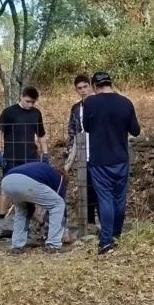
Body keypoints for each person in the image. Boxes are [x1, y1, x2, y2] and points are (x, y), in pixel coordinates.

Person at [82, 71, 140, 255]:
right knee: (119, 198)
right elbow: (136, 131)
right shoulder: (126, 102)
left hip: (100, 160)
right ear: (110, 83)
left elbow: (87, 127)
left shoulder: (90, 102)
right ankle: (116, 236)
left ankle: (106, 242)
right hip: (121, 158)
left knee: (105, 199)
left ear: (94, 86)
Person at [0, 87, 48, 218]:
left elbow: (41, 134)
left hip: (30, 158)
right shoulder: (9, 112)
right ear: (21, 96)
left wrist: (45, 153)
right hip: (11, 158)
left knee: (33, 188)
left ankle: (35, 219)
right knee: (6, 188)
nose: (30, 105)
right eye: (28, 101)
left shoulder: (36, 113)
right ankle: (2, 219)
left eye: (33, 102)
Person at [1, 159, 67, 253]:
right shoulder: (60, 179)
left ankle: (17, 246)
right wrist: (63, 229)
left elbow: (30, 210)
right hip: (26, 181)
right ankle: (54, 245)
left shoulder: (43, 171)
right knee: (58, 204)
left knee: (22, 210)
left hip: (7, 181)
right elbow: (60, 206)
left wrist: (42, 223)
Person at [65, 74, 97, 225]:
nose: (83, 90)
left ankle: (104, 223)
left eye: (85, 87)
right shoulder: (76, 108)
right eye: (80, 88)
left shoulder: (99, 104)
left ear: (91, 86)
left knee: (101, 189)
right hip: (84, 154)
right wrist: (71, 150)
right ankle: (89, 224)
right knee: (87, 190)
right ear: (76, 90)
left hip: (99, 152)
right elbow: (72, 130)